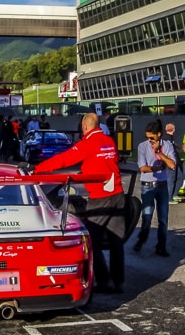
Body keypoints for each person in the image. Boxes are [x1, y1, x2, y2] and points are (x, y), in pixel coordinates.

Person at [34, 112, 126, 294]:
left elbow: (63, 160)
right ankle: (119, 282)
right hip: (119, 195)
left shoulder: (87, 144)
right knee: (117, 242)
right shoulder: (109, 141)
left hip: (100, 198)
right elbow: (111, 161)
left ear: (84, 127)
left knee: (92, 241)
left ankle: (104, 281)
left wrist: (37, 170)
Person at [133, 120, 176, 257]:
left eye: (152, 137)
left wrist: (159, 153)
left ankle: (161, 247)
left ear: (159, 134)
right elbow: (143, 168)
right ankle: (141, 239)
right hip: (148, 185)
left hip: (162, 185)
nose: (149, 140)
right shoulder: (142, 146)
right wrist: (157, 167)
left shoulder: (167, 145)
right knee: (147, 216)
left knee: (163, 218)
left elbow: (172, 165)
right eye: (147, 137)